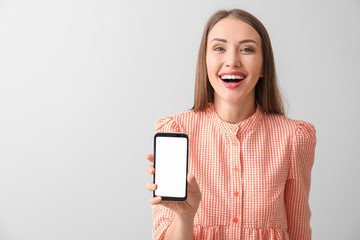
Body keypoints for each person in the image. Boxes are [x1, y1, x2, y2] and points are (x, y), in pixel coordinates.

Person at [146, 8, 316, 240]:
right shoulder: (175, 130)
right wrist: (185, 215)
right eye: (219, 48)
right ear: (204, 62)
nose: (232, 61)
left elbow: (299, 233)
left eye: (247, 49)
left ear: (264, 66)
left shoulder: (294, 137)